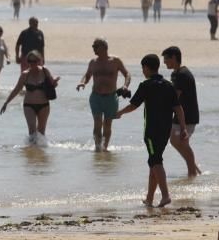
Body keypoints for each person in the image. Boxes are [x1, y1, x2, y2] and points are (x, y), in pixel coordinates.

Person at [115, 54, 186, 207]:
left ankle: (165, 195)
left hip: (152, 131)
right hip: (165, 130)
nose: (143, 71)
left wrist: (120, 113)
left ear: (146, 68)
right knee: (154, 161)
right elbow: (178, 108)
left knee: (155, 161)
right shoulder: (168, 85)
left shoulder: (146, 85)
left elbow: (133, 105)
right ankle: (149, 198)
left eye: (143, 68)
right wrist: (183, 127)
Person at [76, 38, 131, 152]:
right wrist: (82, 82)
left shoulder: (115, 61)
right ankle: (97, 149)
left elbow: (127, 74)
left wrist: (125, 86)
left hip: (111, 97)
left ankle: (104, 148)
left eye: (96, 46)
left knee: (107, 124)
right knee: (97, 123)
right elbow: (87, 75)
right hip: (96, 97)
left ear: (104, 47)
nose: (94, 49)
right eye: (93, 46)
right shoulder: (93, 62)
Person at [0, 50, 58, 146]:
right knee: (32, 131)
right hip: (29, 105)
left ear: (39, 61)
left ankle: (40, 156)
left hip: (44, 105)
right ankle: (32, 155)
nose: (32, 64)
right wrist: (6, 102)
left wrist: (55, 82)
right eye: (30, 61)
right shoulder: (25, 74)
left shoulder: (45, 71)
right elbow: (17, 89)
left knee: (41, 133)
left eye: (34, 61)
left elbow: (52, 84)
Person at [162, 46, 201, 177]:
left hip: (188, 115)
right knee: (175, 141)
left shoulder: (182, 74)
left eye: (166, 59)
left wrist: (163, 111)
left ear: (174, 58)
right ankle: (194, 168)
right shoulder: (175, 73)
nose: (164, 62)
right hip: (179, 115)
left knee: (182, 143)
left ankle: (192, 172)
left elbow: (175, 96)